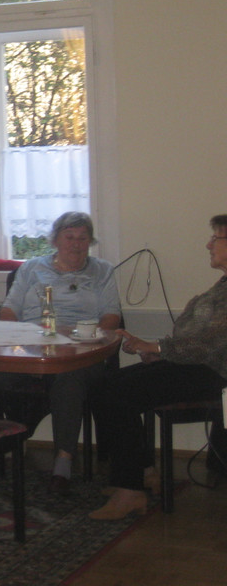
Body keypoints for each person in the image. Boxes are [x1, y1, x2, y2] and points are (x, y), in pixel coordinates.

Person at [89, 215, 227, 520]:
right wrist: (157, 353)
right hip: (192, 366)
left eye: (215, 238)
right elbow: (192, 339)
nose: (208, 245)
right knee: (102, 385)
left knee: (118, 394)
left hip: (214, 375)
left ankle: (130, 491)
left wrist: (158, 348)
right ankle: (144, 473)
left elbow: (212, 345)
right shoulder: (221, 285)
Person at [0, 211, 121, 494]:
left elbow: (111, 317)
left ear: (90, 241)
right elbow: (8, 310)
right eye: (69, 237)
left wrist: (86, 338)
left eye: (82, 238)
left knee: (69, 379)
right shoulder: (32, 268)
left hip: (81, 351)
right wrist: (19, 338)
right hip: (31, 349)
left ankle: (63, 462)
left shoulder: (102, 270)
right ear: (55, 240)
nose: (76, 244)